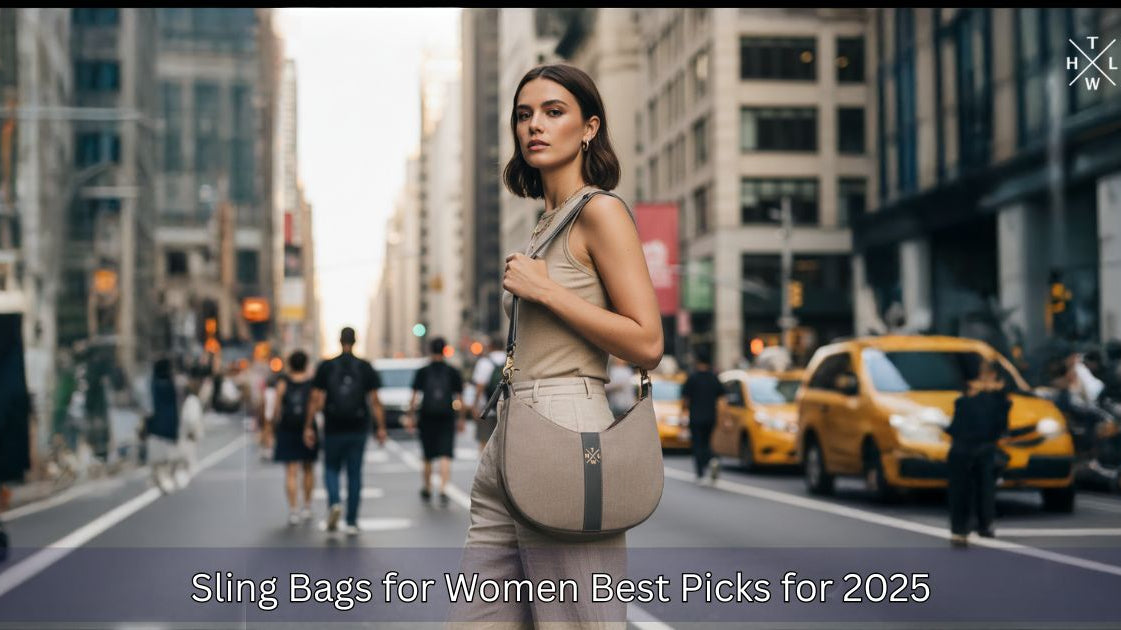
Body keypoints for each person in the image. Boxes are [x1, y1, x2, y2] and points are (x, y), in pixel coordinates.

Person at [451, 64, 663, 629]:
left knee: (579, 621)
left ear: (589, 127)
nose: (534, 126)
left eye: (553, 112)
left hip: (569, 426)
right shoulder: (544, 224)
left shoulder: (601, 211)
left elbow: (647, 342)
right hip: (514, 430)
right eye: (524, 115)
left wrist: (546, 290)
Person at [303, 327, 386, 536]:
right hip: (358, 428)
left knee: (331, 468)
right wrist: (381, 428)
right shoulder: (365, 367)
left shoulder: (327, 366)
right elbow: (375, 401)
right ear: (355, 341)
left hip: (333, 426)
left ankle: (334, 503)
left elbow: (314, 399)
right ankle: (351, 521)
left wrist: (308, 426)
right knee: (354, 473)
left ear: (339, 341)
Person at [944, 359, 1011, 547]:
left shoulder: (992, 400)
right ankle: (970, 527)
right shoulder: (975, 399)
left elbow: (999, 427)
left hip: (974, 447)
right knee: (975, 489)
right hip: (973, 447)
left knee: (976, 489)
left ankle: (967, 527)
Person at [406, 337, 466, 506]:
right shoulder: (452, 371)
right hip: (447, 416)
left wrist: (410, 416)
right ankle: (443, 488)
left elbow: (414, 397)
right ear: (444, 350)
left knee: (427, 455)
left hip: (427, 416)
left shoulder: (423, 371)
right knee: (445, 454)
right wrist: (461, 419)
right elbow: (460, 398)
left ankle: (426, 487)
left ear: (430, 350)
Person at [273, 350, 318, 525]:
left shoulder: (283, 383)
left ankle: (293, 510)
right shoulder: (311, 383)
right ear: (306, 363)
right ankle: (307, 507)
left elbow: (277, 408)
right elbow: (316, 405)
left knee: (291, 471)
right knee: (308, 468)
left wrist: (273, 428)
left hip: (287, 428)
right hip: (308, 428)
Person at [681, 347, 725, 484]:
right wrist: (726, 418)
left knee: (697, 444)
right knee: (706, 442)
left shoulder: (692, 378)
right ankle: (712, 459)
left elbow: (685, 400)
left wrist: (683, 414)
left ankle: (700, 473)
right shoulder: (714, 378)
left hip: (695, 417)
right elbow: (722, 399)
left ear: (697, 361)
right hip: (711, 416)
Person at [147, 358, 181, 494]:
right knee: (168, 457)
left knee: (157, 458)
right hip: (169, 425)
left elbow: (149, 405)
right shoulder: (170, 383)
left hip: (156, 426)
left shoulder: (154, 383)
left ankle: (160, 478)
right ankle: (167, 478)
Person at [470, 335, 507, 451]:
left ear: (490, 346)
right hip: (507, 407)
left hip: (487, 409)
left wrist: (475, 406)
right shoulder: (510, 361)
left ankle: (485, 468)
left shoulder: (484, 362)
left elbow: (479, 387)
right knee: (504, 442)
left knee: (484, 442)